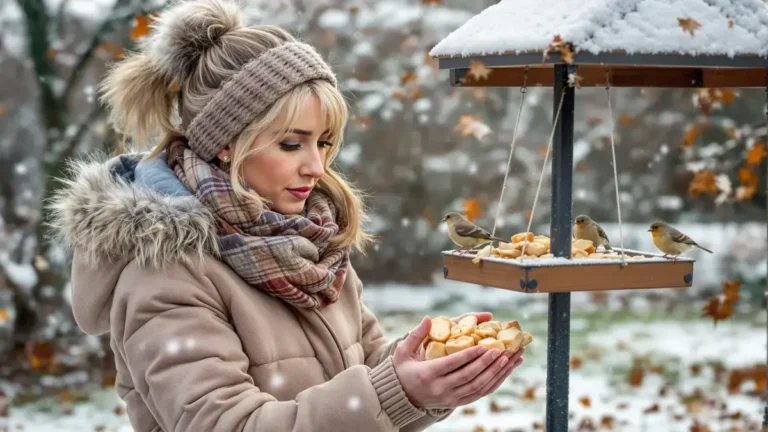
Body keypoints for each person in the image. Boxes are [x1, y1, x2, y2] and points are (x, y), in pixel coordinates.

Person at [49, 0, 524, 430]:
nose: (316, 167)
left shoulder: (312, 242)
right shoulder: (165, 275)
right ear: (227, 142)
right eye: (291, 143)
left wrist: (431, 371)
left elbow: (373, 370)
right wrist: (397, 391)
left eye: (323, 143)